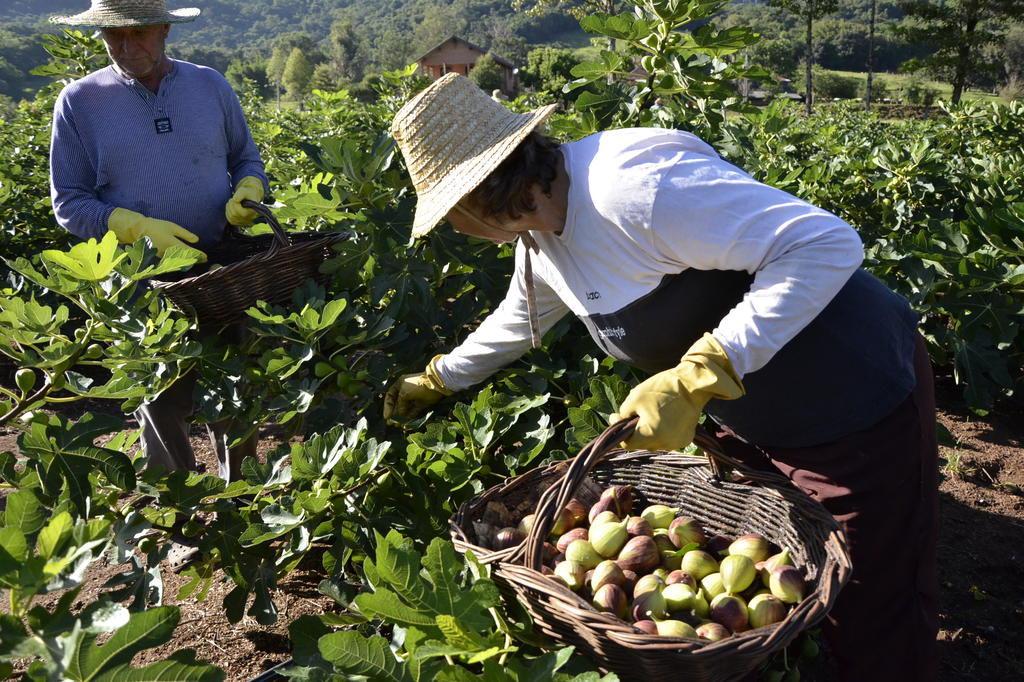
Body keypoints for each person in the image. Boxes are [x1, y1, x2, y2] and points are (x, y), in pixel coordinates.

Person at [385, 73, 938, 681]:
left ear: (480, 194)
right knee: (793, 578)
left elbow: (823, 244)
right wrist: (440, 378)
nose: (455, 229)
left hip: (847, 394)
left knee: (867, 591)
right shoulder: (542, 234)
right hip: (753, 415)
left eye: (451, 213)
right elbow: (522, 317)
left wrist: (705, 370)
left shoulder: (633, 191)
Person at [48, 0, 269, 484]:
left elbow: (245, 158)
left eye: (139, 32)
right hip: (142, 280)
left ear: (164, 28)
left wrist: (249, 190)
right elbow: (69, 202)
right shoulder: (80, 102)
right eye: (114, 35)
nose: (127, 47)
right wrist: (135, 227)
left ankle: (248, 501)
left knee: (233, 389)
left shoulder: (209, 85)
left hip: (222, 267)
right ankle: (175, 508)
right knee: (162, 399)